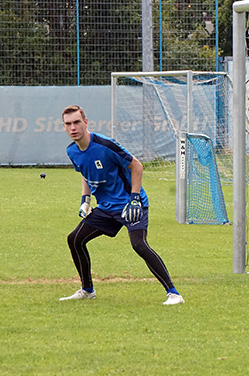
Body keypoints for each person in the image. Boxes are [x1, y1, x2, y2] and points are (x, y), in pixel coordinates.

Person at [60, 105, 184, 305]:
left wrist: (134, 198)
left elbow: (136, 166)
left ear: (85, 122)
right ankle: (87, 289)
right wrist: (86, 200)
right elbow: (85, 172)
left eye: (76, 122)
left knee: (139, 245)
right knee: (75, 239)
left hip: (131, 203)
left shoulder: (105, 145)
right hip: (107, 208)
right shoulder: (72, 151)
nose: (73, 127)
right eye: (68, 124)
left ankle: (173, 293)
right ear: (64, 127)